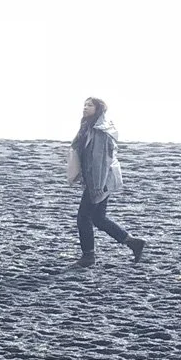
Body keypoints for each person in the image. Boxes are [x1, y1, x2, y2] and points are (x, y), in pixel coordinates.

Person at [70, 97, 144, 267]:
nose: (85, 108)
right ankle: (133, 243)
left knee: (83, 218)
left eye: (90, 105)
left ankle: (88, 257)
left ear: (98, 109)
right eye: (84, 105)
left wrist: (97, 186)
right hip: (99, 179)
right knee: (98, 218)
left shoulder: (100, 131)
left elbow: (100, 161)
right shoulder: (88, 127)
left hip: (101, 179)